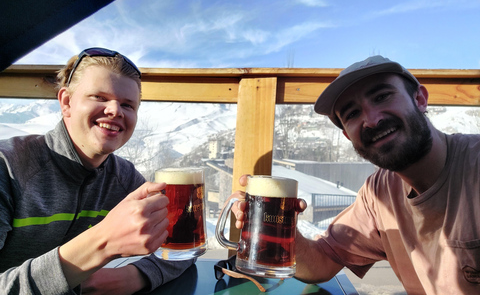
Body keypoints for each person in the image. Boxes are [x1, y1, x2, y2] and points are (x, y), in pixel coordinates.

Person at [231, 55, 480, 294]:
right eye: (352, 114)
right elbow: (323, 261)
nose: (371, 120)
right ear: (348, 136)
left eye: (382, 96)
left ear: (420, 100)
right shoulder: (379, 192)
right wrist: (282, 229)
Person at [0, 47, 194, 294]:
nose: (115, 110)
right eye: (100, 97)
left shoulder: (125, 179)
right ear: (66, 102)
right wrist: (102, 242)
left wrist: (133, 276)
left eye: (128, 105)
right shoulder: (9, 167)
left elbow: (184, 246)